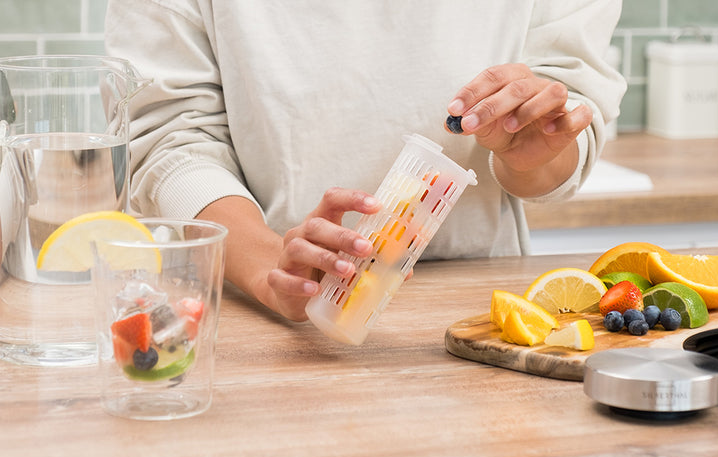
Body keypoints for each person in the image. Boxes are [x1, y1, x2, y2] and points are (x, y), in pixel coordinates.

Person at [104, 1, 626, 322]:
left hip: (476, 307)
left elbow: (572, 106)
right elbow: (170, 140)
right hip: (265, 310)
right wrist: (268, 264)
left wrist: (532, 150)